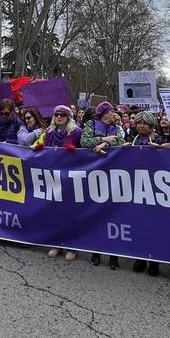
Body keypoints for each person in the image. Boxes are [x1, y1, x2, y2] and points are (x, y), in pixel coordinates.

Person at [123, 111, 170, 276]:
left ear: (151, 126)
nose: (141, 126)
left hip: (154, 188)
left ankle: (154, 261)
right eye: (139, 123)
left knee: (154, 225)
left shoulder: (158, 139)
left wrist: (160, 151)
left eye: (145, 123)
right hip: (135, 187)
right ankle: (140, 258)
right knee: (138, 224)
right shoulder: (130, 140)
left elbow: (168, 159)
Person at [80, 101, 125, 268]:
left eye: (113, 111)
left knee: (112, 214)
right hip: (94, 172)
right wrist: (103, 138)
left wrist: (105, 144)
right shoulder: (91, 124)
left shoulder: (118, 127)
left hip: (113, 173)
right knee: (95, 213)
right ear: (103, 113)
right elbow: (85, 141)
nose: (113, 113)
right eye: (110, 111)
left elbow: (120, 140)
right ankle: (96, 252)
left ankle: (114, 256)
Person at [37, 105, 84, 262]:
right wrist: (39, 147)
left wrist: (75, 152)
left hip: (70, 177)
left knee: (70, 212)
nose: (58, 117)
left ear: (68, 117)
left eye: (62, 115)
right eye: (56, 114)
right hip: (53, 175)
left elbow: (85, 153)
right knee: (54, 210)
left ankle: (72, 245)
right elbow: (42, 147)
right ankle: (56, 242)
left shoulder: (76, 132)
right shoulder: (49, 132)